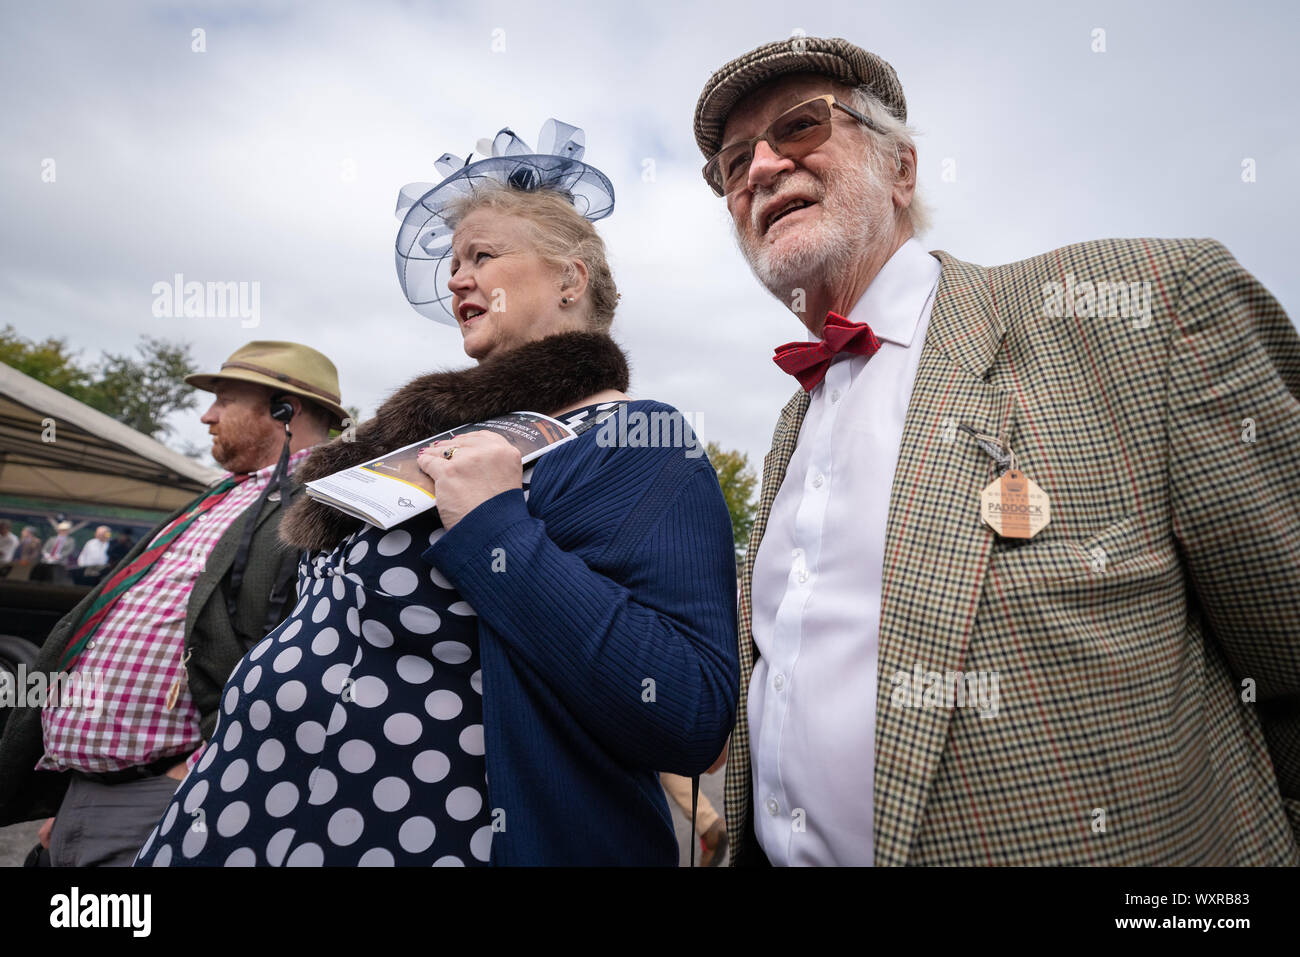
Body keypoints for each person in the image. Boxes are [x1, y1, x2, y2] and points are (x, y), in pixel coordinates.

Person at [693, 36, 1300, 867]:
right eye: (732, 164)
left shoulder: (1144, 312)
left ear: (901, 171)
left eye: (799, 127)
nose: (760, 167)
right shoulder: (791, 430)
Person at [135, 120, 738, 867]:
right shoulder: (443, 437)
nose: (456, 279)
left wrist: (495, 525)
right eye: (454, 262)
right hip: (243, 813)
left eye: (482, 255)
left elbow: (688, 714)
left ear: (570, 279)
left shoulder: (634, 440)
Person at [0, 341, 347, 866]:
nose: (207, 415)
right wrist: (82, 796)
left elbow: (317, 660)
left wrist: (191, 775)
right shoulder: (220, 495)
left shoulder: (326, 503)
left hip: (172, 797)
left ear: (285, 409)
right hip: (91, 792)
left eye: (224, 399)